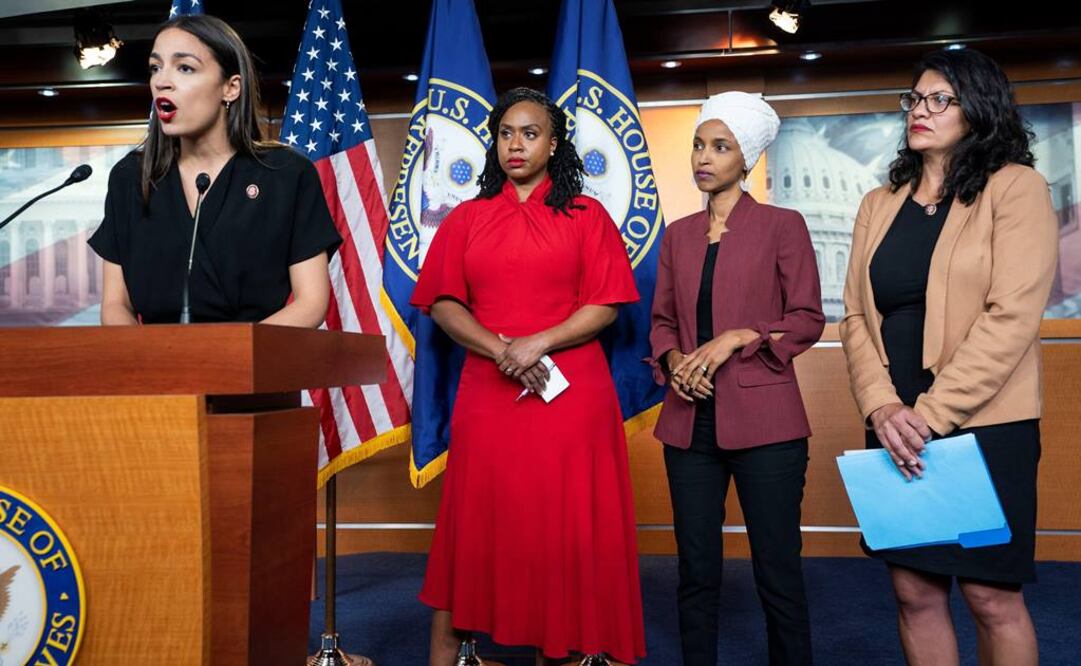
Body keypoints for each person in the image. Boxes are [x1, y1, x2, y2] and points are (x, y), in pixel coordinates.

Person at [411, 87, 646, 666]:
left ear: (554, 143)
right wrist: (500, 350)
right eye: (505, 133)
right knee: (474, 528)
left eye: (530, 133)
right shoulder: (465, 218)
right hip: (489, 395)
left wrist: (538, 342)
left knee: (562, 531)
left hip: (570, 397)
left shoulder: (587, 217)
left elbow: (606, 305)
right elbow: (442, 302)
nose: (516, 145)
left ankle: (558, 652)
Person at [839, 48, 1058, 666]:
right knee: (913, 592)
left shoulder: (1016, 187)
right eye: (914, 99)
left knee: (992, 597)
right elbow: (856, 315)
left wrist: (928, 416)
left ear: (978, 111)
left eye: (941, 100)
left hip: (984, 424)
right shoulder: (879, 203)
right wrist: (883, 406)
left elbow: (1010, 318)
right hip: (894, 425)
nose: (921, 111)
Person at [649, 91, 824, 666]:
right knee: (695, 572)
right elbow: (663, 323)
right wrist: (675, 364)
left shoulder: (782, 225)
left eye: (720, 147)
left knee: (777, 570)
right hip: (688, 425)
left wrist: (737, 337)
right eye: (699, 144)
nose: (704, 157)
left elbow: (806, 318)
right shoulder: (676, 235)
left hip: (768, 427)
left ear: (745, 158)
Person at [90, 15, 339, 327]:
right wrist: (146, 366)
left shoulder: (287, 173)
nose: (161, 81)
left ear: (231, 88)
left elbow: (312, 303)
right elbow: (115, 305)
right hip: (153, 369)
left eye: (185, 68)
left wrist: (233, 361)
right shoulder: (130, 176)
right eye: (156, 67)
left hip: (256, 367)